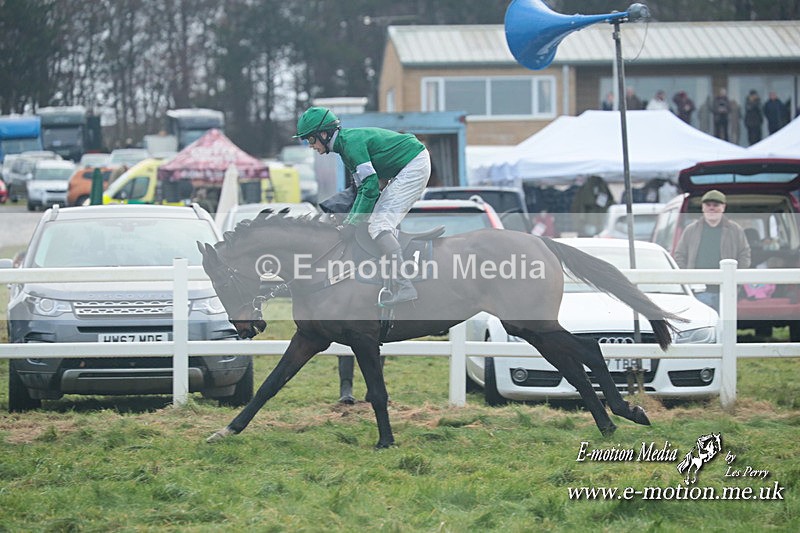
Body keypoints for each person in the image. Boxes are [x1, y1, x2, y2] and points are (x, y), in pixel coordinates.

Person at [294, 106, 431, 307]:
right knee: (374, 222)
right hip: (408, 164)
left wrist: (352, 223)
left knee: (379, 225)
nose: (310, 145)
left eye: (311, 139)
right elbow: (361, 191)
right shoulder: (344, 147)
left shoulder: (350, 145)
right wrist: (352, 221)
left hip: (414, 165)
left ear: (324, 134)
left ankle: (405, 286)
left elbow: (371, 188)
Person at [673, 190, 750, 311]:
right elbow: (679, 255)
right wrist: (688, 278)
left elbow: (744, 255)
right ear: (702, 207)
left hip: (726, 291)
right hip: (698, 291)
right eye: (708, 205)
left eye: (716, 205)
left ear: (723, 207)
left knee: (725, 327)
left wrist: (736, 280)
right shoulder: (691, 230)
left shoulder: (735, 230)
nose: (711, 208)